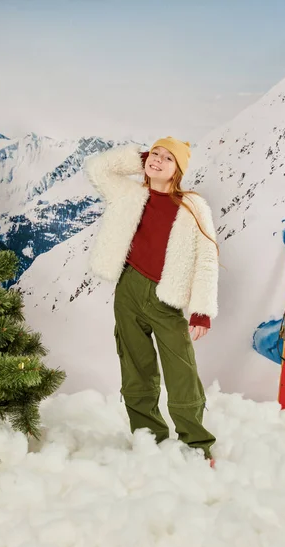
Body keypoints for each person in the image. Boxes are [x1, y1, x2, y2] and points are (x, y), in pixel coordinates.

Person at [84, 136, 220, 467]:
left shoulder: (192, 206)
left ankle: (197, 444)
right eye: (154, 154)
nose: (158, 160)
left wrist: (201, 309)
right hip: (128, 289)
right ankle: (149, 438)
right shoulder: (130, 194)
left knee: (181, 371)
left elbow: (206, 258)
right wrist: (140, 158)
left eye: (167, 158)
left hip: (166, 297)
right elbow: (97, 168)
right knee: (135, 368)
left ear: (179, 171)